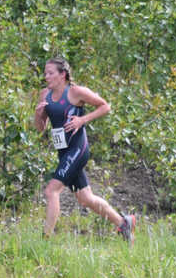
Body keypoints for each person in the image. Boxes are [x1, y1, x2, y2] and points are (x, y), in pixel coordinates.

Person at [34, 55, 135, 243]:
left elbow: (105, 106)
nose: (46, 77)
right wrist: (38, 114)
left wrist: (82, 120)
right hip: (63, 151)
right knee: (85, 198)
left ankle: (44, 240)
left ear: (62, 75)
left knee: (51, 191)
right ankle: (123, 223)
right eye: (45, 73)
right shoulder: (44, 95)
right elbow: (40, 127)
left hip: (78, 149)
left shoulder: (76, 92)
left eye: (50, 73)